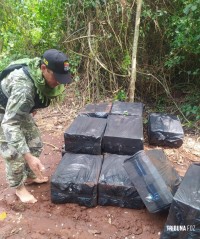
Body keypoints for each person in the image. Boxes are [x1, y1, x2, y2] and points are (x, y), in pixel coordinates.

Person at [0, 49, 71, 203]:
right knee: (14, 153)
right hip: (4, 112)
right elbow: (10, 123)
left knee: (35, 143)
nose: (59, 82)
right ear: (44, 69)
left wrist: (30, 108)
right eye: (56, 77)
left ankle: (30, 175)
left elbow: (35, 95)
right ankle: (19, 188)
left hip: (17, 107)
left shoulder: (39, 73)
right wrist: (27, 156)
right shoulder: (24, 90)